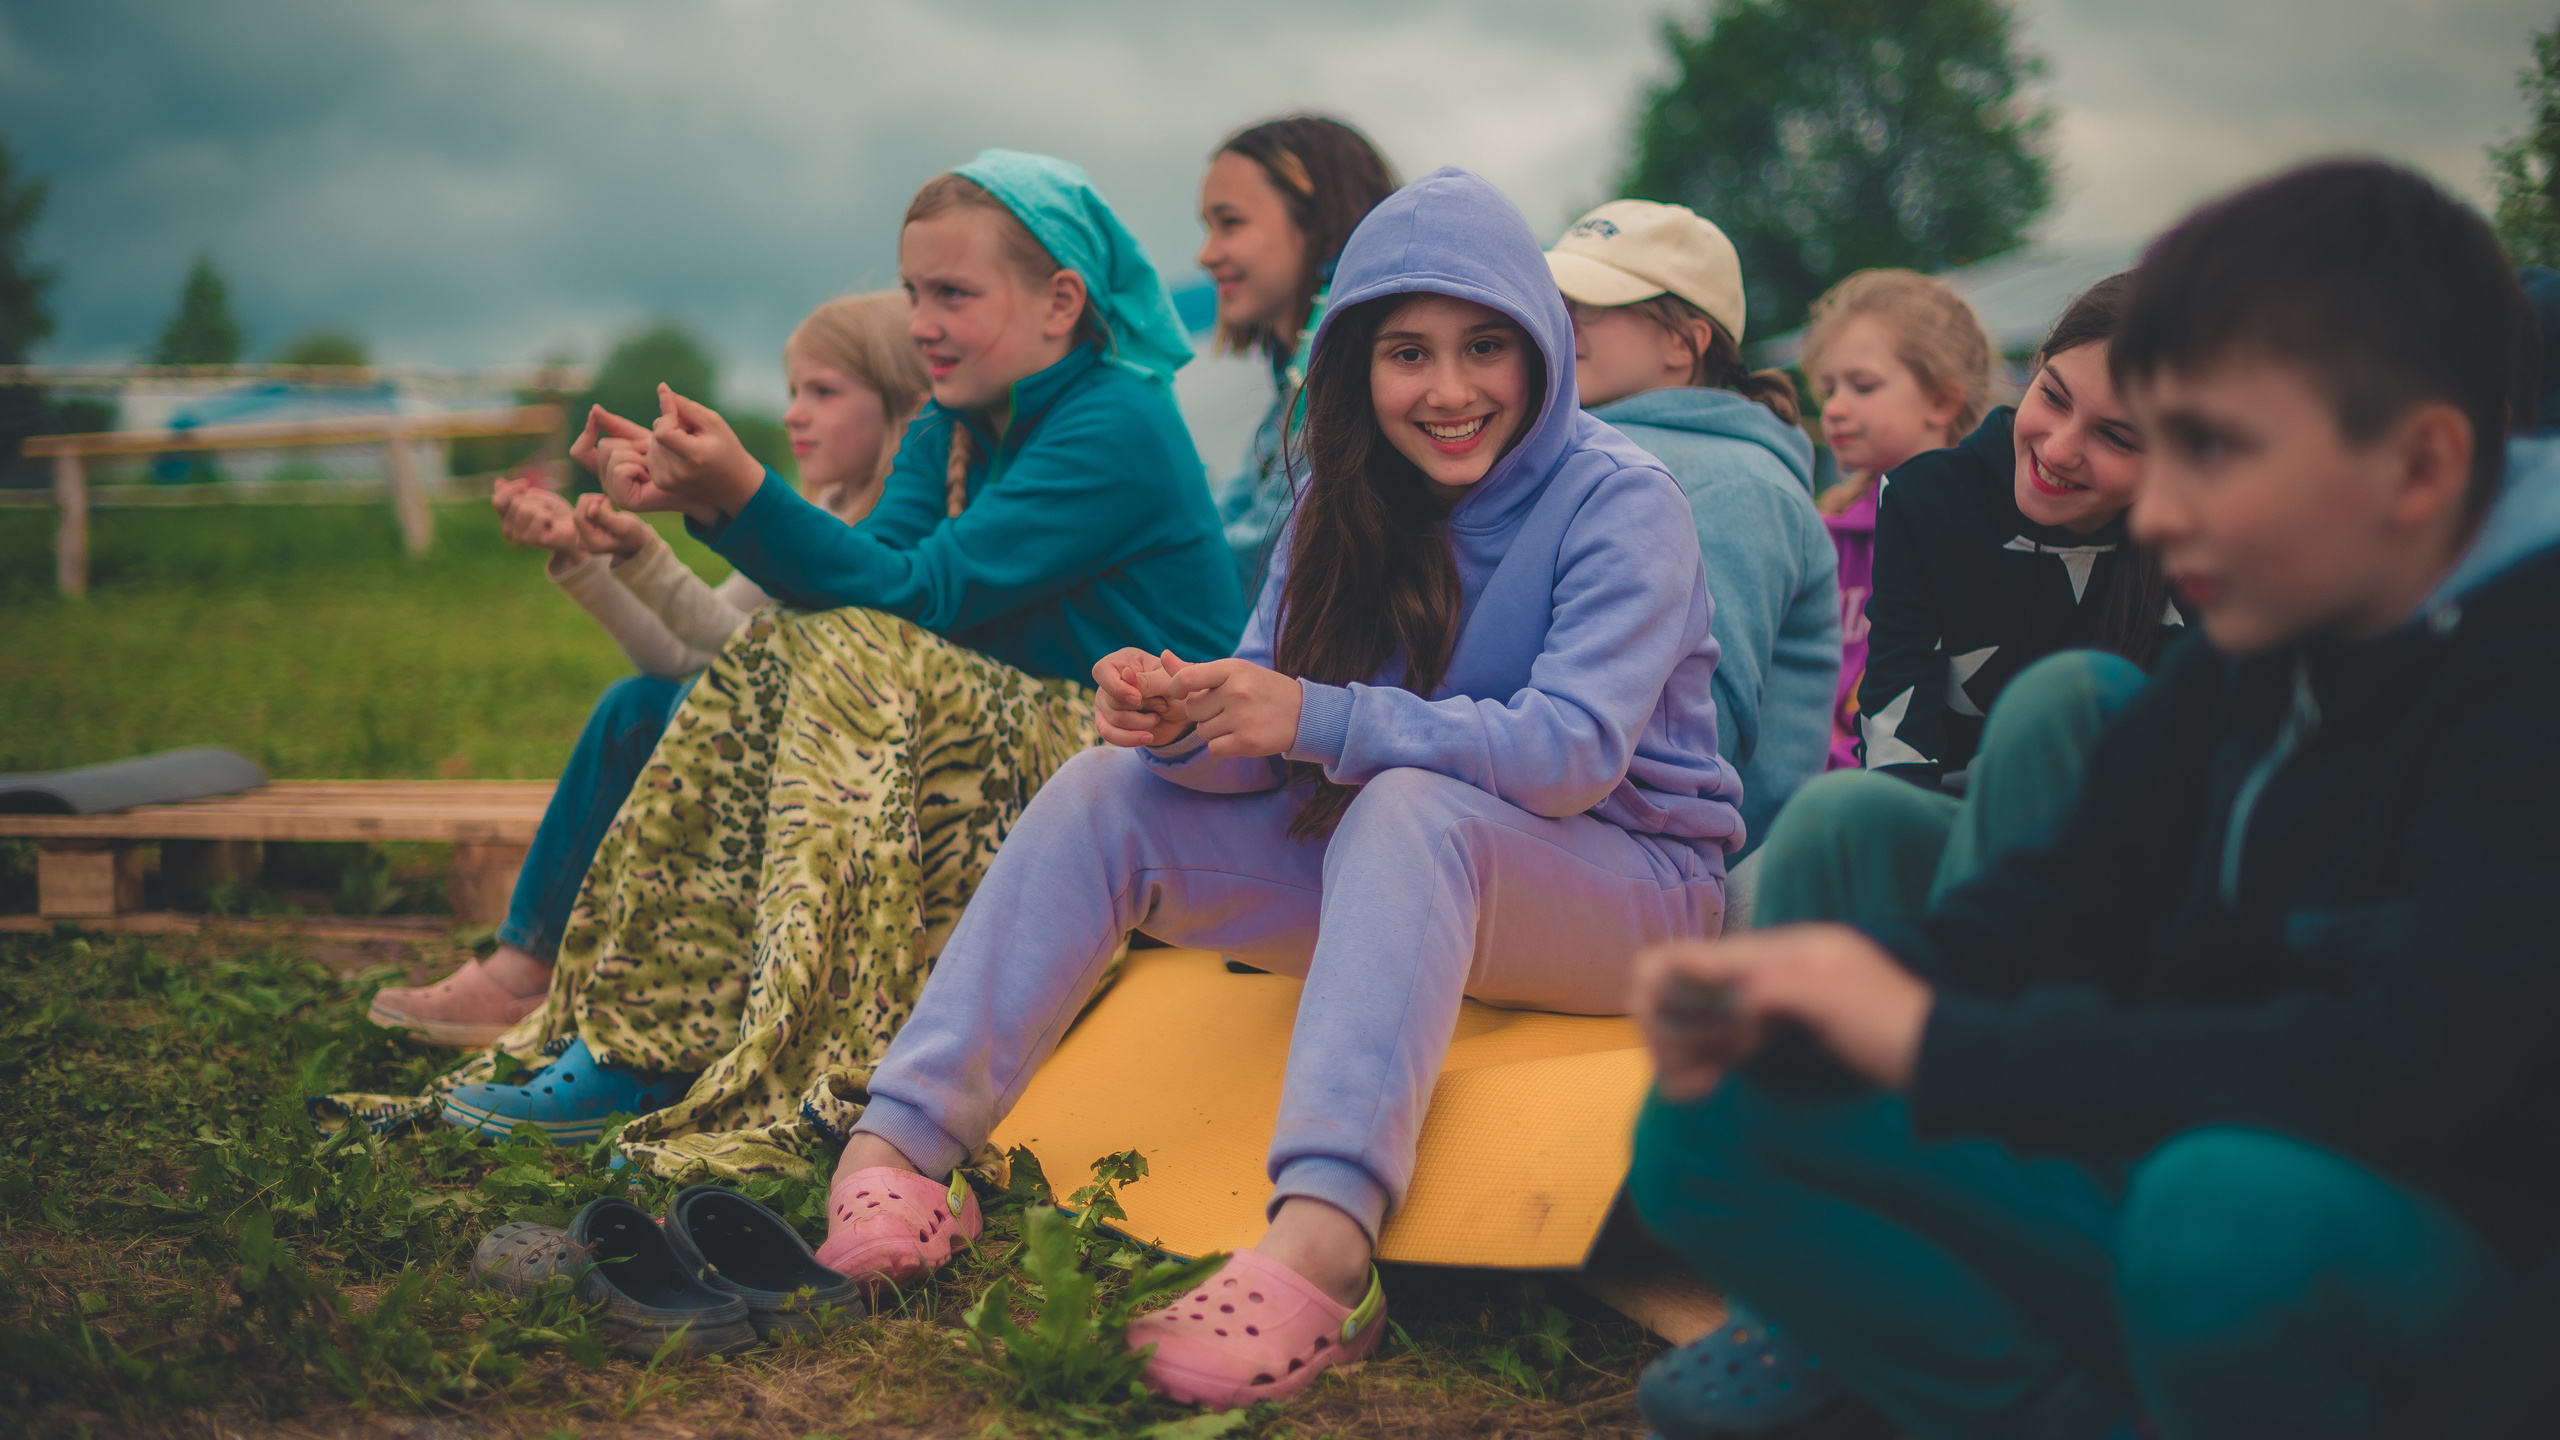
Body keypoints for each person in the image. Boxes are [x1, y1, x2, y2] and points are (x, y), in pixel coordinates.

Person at [1628, 159, 2552, 1440]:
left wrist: (1947, 1048)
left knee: (2220, 1218)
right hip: (2184, 1164)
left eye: (2208, 453)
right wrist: (1822, 992)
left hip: (2446, 1258)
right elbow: (2063, 893)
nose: (2155, 512)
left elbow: (2407, 1070)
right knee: (1719, 1116)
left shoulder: (2522, 666)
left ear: (2418, 467)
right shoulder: (2267, 629)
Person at [810, 168, 1740, 1409]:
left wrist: (1317, 716)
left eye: (1485, 349)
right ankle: (904, 1147)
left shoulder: (1623, 504)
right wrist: (1181, 722)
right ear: (1356, 365)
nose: (1449, 390)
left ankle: (1323, 1249)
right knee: (1104, 791)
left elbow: (1572, 753)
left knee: (1409, 809)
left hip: (1630, 890)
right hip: (1401, 865)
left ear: (1543, 353)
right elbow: (1263, 712)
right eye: (1407, 353)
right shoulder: (1334, 506)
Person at [326, 151, 1247, 1180]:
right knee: (791, 644)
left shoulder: (1116, 420)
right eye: (911, 294)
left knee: (844, 650)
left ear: (1060, 303)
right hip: (1023, 754)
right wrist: (707, 498)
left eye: (953, 292)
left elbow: (918, 596)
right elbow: (871, 576)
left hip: (1150, 772)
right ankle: (636, 1047)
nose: (922, 323)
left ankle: (794, 1053)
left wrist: (739, 488)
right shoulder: (951, 424)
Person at [366, 293, 928, 1046]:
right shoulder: (816, 507)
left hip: (847, 798)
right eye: (793, 391)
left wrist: (644, 554)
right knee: (637, 703)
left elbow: (736, 662)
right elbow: (691, 651)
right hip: (783, 765)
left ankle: (645, 984)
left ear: (901, 403)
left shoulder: (893, 528)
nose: (795, 414)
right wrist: (595, 553)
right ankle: (523, 970)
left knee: (689, 702)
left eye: (822, 392)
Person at [1546, 199, 1837, 855]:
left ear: (1684, 343)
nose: (1561, 324)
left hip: (1693, 880)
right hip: (1580, 832)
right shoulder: (1586, 453)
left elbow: (1692, 744)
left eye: (1588, 304)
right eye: (1555, 298)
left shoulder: (1732, 486)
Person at [1799, 271, 2002, 772]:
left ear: (1940, 400)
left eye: (1862, 386)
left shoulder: (1986, 537)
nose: (1834, 410)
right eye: (1828, 389)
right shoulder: (1828, 531)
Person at [1199, 115, 1399, 588]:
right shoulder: (1294, 378)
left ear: (1315, 222)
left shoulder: (1348, 367)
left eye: (1230, 223)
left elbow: (1264, 551)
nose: (1206, 254)